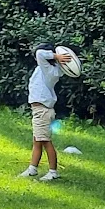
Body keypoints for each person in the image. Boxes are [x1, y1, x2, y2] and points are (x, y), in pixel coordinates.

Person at [21, 43, 80, 182]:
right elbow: (40, 55)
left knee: (46, 141)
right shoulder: (49, 69)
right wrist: (56, 57)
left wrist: (56, 56)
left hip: (42, 110)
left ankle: (53, 172)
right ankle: (32, 169)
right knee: (37, 141)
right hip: (40, 110)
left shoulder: (48, 68)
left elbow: (40, 53)